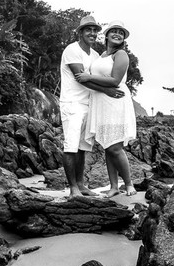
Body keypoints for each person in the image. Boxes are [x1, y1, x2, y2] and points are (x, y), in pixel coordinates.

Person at [58, 15, 123, 197]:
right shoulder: (72, 50)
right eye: (88, 30)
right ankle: (73, 189)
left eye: (95, 30)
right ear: (80, 32)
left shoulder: (95, 55)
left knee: (82, 147)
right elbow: (81, 78)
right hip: (72, 103)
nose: (92, 33)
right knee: (71, 145)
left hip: (89, 103)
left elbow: (98, 77)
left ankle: (81, 185)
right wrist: (107, 91)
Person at [77, 20, 138, 196]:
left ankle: (129, 185)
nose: (117, 34)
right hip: (101, 103)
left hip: (116, 101)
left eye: (121, 32)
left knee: (115, 147)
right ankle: (113, 187)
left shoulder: (121, 54)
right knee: (107, 145)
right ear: (107, 34)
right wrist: (91, 81)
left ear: (124, 38)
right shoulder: (102, 55)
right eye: (114, 31)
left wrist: (88, 77)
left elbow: (115, 80)